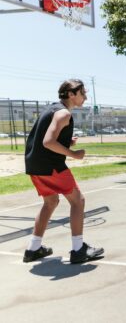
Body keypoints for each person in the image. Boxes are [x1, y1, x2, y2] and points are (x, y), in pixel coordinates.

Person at [23, 79, 104, 264]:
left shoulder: (51, 109)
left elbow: (46, 138)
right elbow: (48, 142)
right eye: (83, 93)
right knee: (78, 201)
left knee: (50, 202)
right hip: (51, 166)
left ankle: (33, 249)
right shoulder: (63, 114)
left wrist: (67, 142)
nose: (85, 97)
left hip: (34, 165)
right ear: (71, 94)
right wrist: (73, 154)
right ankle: (78, 250)